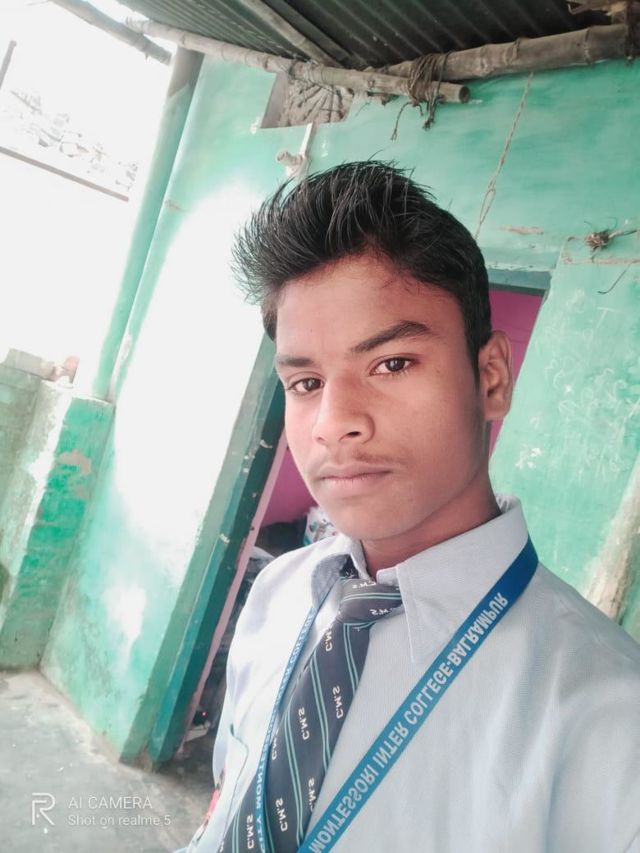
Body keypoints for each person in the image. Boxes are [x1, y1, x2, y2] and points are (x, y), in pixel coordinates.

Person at [180, 162, 640, 853]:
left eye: (392, 363)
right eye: (306, 382)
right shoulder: (276, 592)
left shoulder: (611, 721)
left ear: (490, 377)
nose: (334, 424)